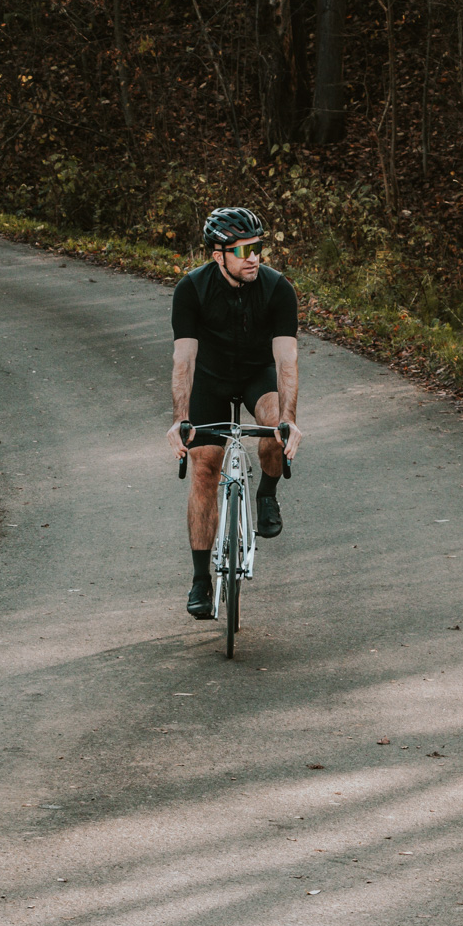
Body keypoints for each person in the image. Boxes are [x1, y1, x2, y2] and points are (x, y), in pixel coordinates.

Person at [166, 206, 303, 619]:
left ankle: (266, 495)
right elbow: (183, 362)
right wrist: (180, 418)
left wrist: (289, 419)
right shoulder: (191, 290)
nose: (253, 257)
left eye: (258, 247)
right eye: (242, 249)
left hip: (257, 375)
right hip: (209, 377)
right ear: (217, 254)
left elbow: (287, 362)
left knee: (274, 426)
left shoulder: (279, 290)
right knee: (205, 467)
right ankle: (200, 580)